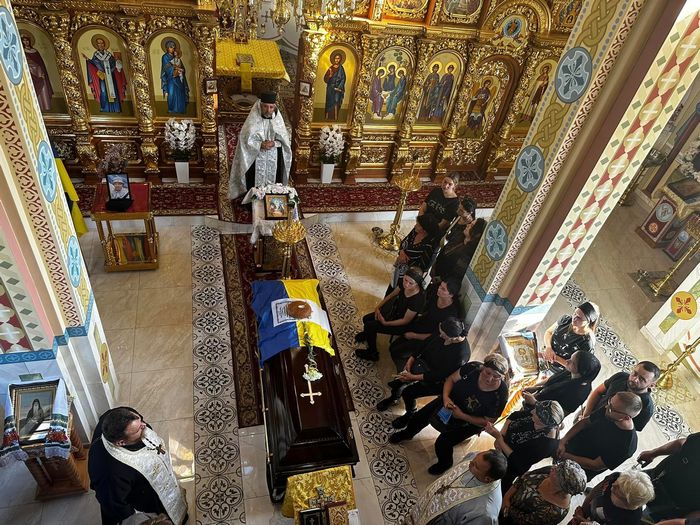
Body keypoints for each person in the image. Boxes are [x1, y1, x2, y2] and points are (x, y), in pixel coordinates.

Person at [390, 354, 510, 476]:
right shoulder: (473, 368)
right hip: (451, 402)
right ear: (483, 367)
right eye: (487, 373)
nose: (489, 379)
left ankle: (445, 463)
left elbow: (488, 421)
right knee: (421, 416)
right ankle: (407, 433)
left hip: (470, 422)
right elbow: (451, 379)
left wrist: (461, 415)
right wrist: (446, 398)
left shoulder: (501, 395)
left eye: (496, 376)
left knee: (443, 443)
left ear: (502, 377)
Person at [88, 407, 188, 525]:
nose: (144, 426)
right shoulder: (110, 473)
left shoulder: (120, 415)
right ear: (121, 442)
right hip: (145, 497)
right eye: (138, 429)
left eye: (141, 420)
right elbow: (114, 504)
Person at [379, 316, 470, 415]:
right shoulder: (444, 330)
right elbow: (425, 343)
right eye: (440, 332)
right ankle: (394, 398)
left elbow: (439, 374)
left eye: (444, 335)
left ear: (453, 338)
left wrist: (413, 377)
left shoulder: (461, 355)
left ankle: (410, 413)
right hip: (423, 364)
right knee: (401, 379)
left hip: (436, 380)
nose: (440, 336)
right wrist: (411, 360)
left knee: (409, 393)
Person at [404, 450, 508, 525]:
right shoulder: (476, 458)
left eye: (475, 466)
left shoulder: (484, 513)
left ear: (487, 479)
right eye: (475, 458)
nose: (470, 463)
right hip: (425, 505)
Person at [485, 400, 565, 494]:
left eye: (536, 413)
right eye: (535, 409)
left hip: (508, 468)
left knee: (493, 489)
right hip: (499, 453)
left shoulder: (546, 445)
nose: (532, 411)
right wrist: (502, 434)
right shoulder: (537, 415)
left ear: (543, 422)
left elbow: (518, 463)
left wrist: (499, 439)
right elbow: (515, 415)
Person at [557, 391, 641, 480]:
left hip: (576, 471)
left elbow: (595, 465)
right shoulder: (610, 410)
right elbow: (584, 422)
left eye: (611, 408)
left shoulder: (626, 446)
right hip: (568, 449)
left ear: (626, 417)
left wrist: (566, 456)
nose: (606, 407)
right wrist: (563, 440)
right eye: (609, 402)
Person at [228, 91, 292, 200]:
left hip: (273, 156)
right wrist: (259, 144)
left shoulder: (278, 121)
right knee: (254, 180)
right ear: (260, 106)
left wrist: (274, 143)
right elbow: (245, 140)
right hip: (255, 157)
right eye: (265, 106)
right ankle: (253, 199)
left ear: (274, 108)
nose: (268, 110)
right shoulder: (253, 120)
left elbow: (284, 142)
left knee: (274, 182)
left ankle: (272, 199)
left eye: (271, 107)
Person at [387, 278, 461, 371]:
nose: (439, 289)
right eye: (440, 286)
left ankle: (409, 366)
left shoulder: (451, 314)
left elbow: (436, 336)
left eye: (443, 289)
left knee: (396, 352)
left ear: (451, 295)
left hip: (427, 338)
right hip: (421, 326)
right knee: (392, 348)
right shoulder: (435, 294)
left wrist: (414, 335)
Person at [355, 267, 427, 362]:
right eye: (405, 280)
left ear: (417, 283)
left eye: (411, 283)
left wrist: (385, 323)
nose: (406, 284)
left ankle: (372, 353)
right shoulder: (402, 283)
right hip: (393, 312)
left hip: (402, 324)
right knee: (366, 319)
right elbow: (391, 295)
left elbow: (405, 320)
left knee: (370, 326)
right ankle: (367, 334)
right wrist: (378, 307)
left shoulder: (417, 299)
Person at [499, 460, 587, 525]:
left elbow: (524, 521)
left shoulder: (554, 512)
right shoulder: (549, 470)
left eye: (558, 471)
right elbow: (524, 477)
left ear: (562, 485)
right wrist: (507, 496)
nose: (554, 467)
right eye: (559, 465)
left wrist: (506, 509)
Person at [637, 433, 700, 521]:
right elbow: (681, 444)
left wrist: (679, 522)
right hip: (655, 477)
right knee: (621, 491)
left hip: (670, 508)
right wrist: (652, 453)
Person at [580, 361, 659, 431]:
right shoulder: (621, 377)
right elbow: (598, 392)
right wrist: (586, 415)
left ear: (651, 385)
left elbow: (630, 429)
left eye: (642, 379)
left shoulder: (646, 408)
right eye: (635, 373)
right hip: (590, 412)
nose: (635, 379)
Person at [519, 350, 601, 416]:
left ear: (581, 372)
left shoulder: (578, 395)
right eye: (570, 358)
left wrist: (535, 403)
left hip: (538, 417)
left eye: (572, 362)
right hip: (537, 399)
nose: (567, 361)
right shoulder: (571, 371)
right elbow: (552, 380)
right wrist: (536, 387)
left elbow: (557, 416)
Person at [571, 469, 655, 525]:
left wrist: (582, 519)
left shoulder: (630, 521)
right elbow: (595, 491)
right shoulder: (616, 478)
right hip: (587, 512)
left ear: (627, 502)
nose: (613, 485)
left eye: (618, 489)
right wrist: (583, 510)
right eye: (617, 482)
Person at [542, 301, 599, 372]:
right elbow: (549, 332)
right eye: (575, 313)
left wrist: (554, 357)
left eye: (579, 318)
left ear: (588, 322)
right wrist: (548, 348)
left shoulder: (587, 342)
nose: (574, 318)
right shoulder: (565, 319)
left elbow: (576, 368)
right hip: (545, 355)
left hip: (557, 370)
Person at [389, 214, 440, 291]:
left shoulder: (428, 246)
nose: (415, 225)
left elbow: (422, 267)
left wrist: (408, 271)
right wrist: (402, 253)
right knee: (392, 285)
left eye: (418, 225)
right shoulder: (415, 231)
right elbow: (403, 242)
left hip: (409, 276)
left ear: (424, 230)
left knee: (398, 290)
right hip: (399, 266)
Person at [431, 218, 487, 284]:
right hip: (436, 269)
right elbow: (444, 250)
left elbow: (456, 273)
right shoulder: (459, 236)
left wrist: (441, 279)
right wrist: (434, 265)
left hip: (443, 283)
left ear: (477, 234)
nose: (468, 225)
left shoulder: (469, 253)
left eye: (471, 226)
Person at [83, 36, 127, 113]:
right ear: (97, 45)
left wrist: (112, 68)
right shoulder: (96, 55)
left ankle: (116, 108)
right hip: (102, 77)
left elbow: (114, 64)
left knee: (114, 91)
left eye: (102, 43)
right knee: (103, 91)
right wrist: (88, 60)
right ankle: (104, 108)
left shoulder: (108, 54)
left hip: (111, 76)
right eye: (99, 43)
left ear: (104, 44)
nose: (101, 45)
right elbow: (93, 64)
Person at [21, 33, 53, 112]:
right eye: (24, 41)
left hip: (39, 71)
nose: (26, 42)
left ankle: (45, 106)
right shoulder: (23, 51)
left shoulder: (35, 51)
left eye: (27, 40)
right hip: (31, 72)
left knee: (43, 87)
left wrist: (41, 69)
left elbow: (41, 63)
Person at [161, 40, 189, 114]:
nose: (172, 49)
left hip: (179, 79)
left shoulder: (177, 57)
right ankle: (172, 109)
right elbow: (165, 68)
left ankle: (180, 109)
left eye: (173, 48)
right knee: (171, 93)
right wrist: (174, 70)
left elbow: (182, 68)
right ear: (167, 48)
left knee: (180, 93)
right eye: (170, 47)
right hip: (170, 78)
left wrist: (180, 70)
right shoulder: (165, 57)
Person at [323, 50, 346, 120]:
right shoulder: (330, 68)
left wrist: (339, 88)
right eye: (336, 58)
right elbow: (325, 79)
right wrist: (329, 76)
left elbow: (343, 79)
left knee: (336, 102)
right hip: (330, 88)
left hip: (337, 89)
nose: (337, 60)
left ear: (340, 59)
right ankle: (327, 117)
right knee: (329, 102)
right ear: (334, 59)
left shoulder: (341, 69)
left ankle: (335, 118)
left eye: (338, 58)